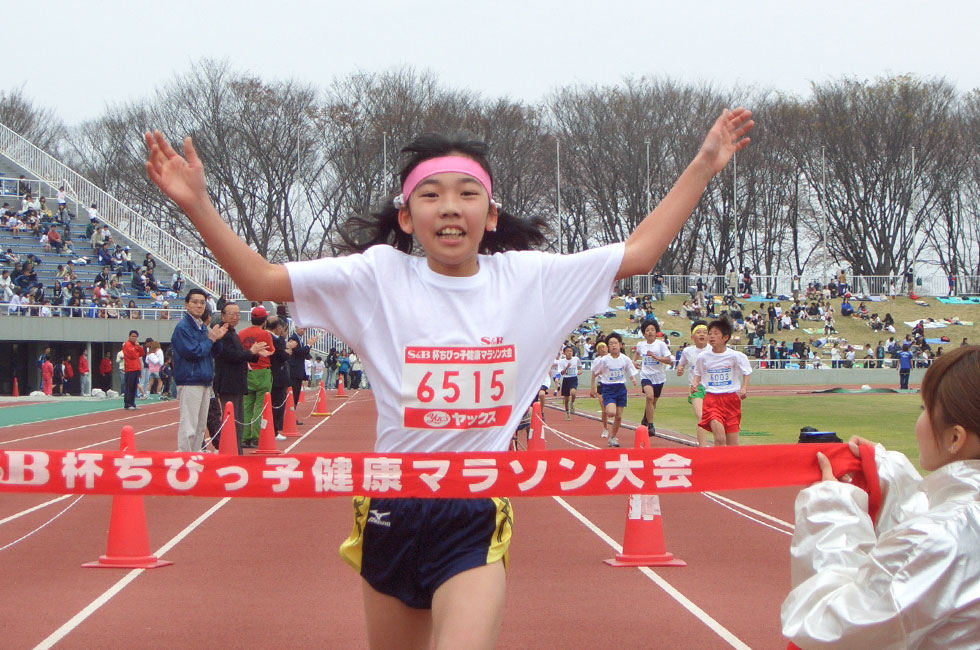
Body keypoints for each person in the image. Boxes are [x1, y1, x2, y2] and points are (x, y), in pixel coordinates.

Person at [145, 106, 752, 648]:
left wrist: (703, 164)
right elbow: (260, 281)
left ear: (490, 215)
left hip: (474, 512)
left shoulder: (530, 282)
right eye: (431, 195)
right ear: (407, 218)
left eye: (467, 194)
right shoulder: (378, 279)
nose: (450, 207)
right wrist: (196, 202)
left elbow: (640, 252)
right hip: (392, 505)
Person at [782, 345, 980, 648]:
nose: (921, 421)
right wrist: (893, 475)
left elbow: (828, 628)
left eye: (924, 409)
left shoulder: (938, 537)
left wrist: (830, 507)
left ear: (955, 438)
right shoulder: (951, 527)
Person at [171, 288, 228, 452]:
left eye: (202, 303)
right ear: (186, 304)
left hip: (204, 380)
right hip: (190, 380)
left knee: (200, 426)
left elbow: (213, 352)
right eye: (195, 302)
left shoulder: (202, 327)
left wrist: (217, 340)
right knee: (189, 425)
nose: (199, 306)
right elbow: (193, 352)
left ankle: (195, 455)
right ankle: (185, 458)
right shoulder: (183, 328)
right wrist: (211, 339)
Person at [212, 302, 271, 452]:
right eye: (231, 314)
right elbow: (230, 355)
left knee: (238, 418)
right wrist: (251, 352)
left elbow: (240, 355)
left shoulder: (233, 332)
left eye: (238, 314)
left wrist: (254, 353)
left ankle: (236, 449)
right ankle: (231, 449)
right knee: (231, 418)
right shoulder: (222, 332)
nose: (235, 317)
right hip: (228, 381)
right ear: (223, 315)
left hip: (236, 381)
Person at [692, 317, 752, 446]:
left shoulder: (735, 356)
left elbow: (747, 371)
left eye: (716, 334)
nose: (711, 337)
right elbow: (698, 372)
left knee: (732, 445)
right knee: (720, 439)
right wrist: (695, 383)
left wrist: (744, 387)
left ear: (725, 337)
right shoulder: (703, 357)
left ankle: (727, 464)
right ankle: (718, 464)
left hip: (731, 400)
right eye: (710, 333)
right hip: (712, 400)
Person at [590, 333, 639, 448]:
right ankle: (606, 413)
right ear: (608, 347)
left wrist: (633, 379)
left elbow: (629, 370)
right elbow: (595, 371)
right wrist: (598, 374)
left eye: (615, 343)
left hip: (621, 388)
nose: (613, 346)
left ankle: (612, 437)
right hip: (608, 388)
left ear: (620, 345)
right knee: (612, 413)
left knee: (619, 416)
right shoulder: (604, 360)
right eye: (611, 344)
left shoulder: (625, 359)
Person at [238, 306, 274, 448]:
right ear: (264, 320)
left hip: (247, 371)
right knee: (261, 406)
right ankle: (256, 437)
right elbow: (271, 351)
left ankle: (244, 436)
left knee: (246, 406)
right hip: (263, 371)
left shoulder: (241, 333)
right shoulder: (265, 334)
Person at [633, 319, 672, 436]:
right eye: (647, 330)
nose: (650, 332)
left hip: (659, 377)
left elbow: (669, 360)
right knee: (649, 397)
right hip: (646, 376)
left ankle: (646, 418)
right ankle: (650, 425)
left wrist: (655, 357)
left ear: (656, 332)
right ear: (644, 333)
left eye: (652, 330)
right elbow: (636, 354)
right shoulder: (641, 345)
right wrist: (634, 362)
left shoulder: (661, 345)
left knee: (653, 402)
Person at [675, 321, 710, 446]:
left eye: (705, 332)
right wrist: (680, 369)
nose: (702, 335)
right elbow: (682, 363)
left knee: (716, 419)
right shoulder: (688, 351)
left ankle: (720, 446)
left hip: (713, 388)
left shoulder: (713, 350)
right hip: (696, 388)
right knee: (701, 417)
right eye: (698, 332)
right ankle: (702, 448)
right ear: (692, 337)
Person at [266, 315, 291, 441]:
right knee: (275, 405)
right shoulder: (274, 339)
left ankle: (273, 429)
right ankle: (273, 431)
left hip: (273, 376)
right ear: (279, 327)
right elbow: (282, 355)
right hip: (276, 376)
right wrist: (287, 349)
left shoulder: (271, 337)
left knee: (273, 404)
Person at [287, 326, 316, 418]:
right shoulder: (293, 338)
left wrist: (308, 346)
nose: (303, 331)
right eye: (302, 329)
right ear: (296, 328)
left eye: (305, 329)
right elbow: (298, 352)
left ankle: (291, 416)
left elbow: (304, 354)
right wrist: (308, 345)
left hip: (298, 370)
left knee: (296, 395)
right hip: (294, 371)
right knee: (293, 395)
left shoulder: (299, 339)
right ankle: (289, 417)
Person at [554, 346, 582, 420]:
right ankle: (567, 412)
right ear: (564, 353)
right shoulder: (562, 361)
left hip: (574, 378)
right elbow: (562, 373)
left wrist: (580, 371)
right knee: (566, 399)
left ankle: (572, 403)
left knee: (573, 392)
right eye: (568, 351)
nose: (569, 353)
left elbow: (580, 367)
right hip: (566, 379)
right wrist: (566, 367)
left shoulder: (576, 359)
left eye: (571, 351)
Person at [122, 330, 144, 409]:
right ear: (129, 336)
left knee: (134, 387)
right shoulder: (127, 345)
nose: (134, 338)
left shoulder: (135, 345)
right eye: (133, 336)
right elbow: (133, 355)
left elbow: (142, 353)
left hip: (136, 368)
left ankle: (132, 403)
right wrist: (136, 350)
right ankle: (127, 404)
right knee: (129, 387)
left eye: (135, 336)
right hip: (130, 369)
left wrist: (138, 347)